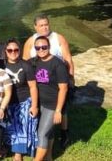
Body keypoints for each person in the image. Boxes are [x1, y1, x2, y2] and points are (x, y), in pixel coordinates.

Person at [22, 13, 74, 147]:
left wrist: (71, 78)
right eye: (41, 25)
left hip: (58, 81)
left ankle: (64, 133)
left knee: (62, 108)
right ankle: (43, 138)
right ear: (35, 27)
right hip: (40, 84)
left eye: (46, 24)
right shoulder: (30, 41)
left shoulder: (58, 38)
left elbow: (68, 58)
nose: (44, 28)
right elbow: (25, 62)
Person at [29, 36, 68, 161]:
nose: (41, 50)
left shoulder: (58, 64)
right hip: (40, 102)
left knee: (42, 133)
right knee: (49, 132)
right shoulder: (35, 61)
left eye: (44, 47)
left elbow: (63, 88)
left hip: (52, 104)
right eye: (38, 48)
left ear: (49, 47)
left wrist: (58, 110)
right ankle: (49, 157)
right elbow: (20, 64)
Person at [3, 38, 39, 160]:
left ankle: (18, 154)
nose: (13, 52)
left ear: (19, 50)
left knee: (20, 127)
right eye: (10, 50)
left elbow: (33, 87)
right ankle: (8, 147)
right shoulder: (1, 65)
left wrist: (34, 106)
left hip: (23, 101)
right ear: (6, 51)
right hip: (7, 102)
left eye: (16, 50)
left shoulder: (26, 65)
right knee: (8, 127)